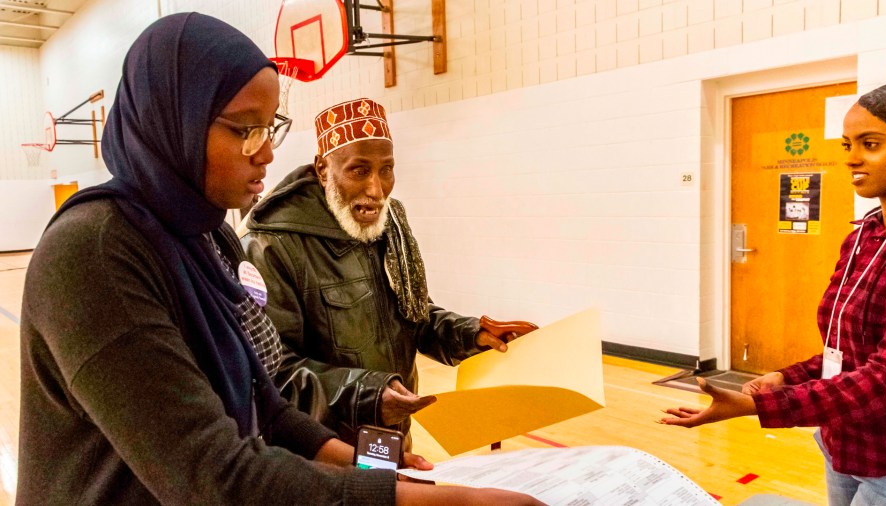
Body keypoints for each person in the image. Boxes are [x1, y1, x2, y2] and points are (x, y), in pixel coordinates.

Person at [16, 13, 542, 505]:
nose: (266, 152)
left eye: (271, 127)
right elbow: (210, 474)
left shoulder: (209, 238)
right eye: (245, 129)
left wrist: (373, 463)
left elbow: (266, 405)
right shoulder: (96, 252)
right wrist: (421, 497)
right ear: (172, 122)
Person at [241, 98, 538, 444]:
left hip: (391, 437)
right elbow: (272, 374)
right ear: (323, 169)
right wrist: (367, 395)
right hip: (320, 454)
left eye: (386, 169)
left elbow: (415, 315)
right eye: (359, 170)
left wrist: (472, 335)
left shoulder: (392, 222)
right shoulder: (272, 245)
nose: (376, 189)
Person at [660, 81, 886, 505]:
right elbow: (845, 351)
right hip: (841, 441)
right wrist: (784, 378)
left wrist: (757, 407)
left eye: (871, 143)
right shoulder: (863, 234)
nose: (852, 158)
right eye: (847, 144)